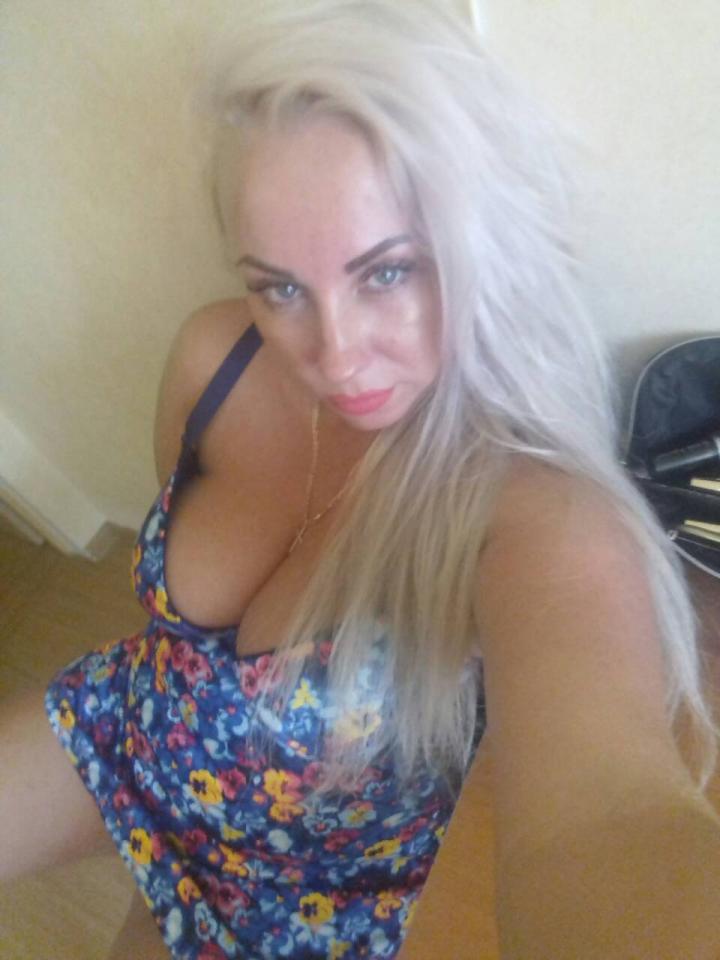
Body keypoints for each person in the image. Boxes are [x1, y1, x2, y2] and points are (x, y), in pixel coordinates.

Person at [2, 1, 720, 957]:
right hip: (140, 731)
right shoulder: (214, 357)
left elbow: (606, 822)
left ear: (480, 250)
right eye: (281, 287)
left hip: (302, 898)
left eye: (387, 273)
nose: (335, 357)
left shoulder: (527, 510)